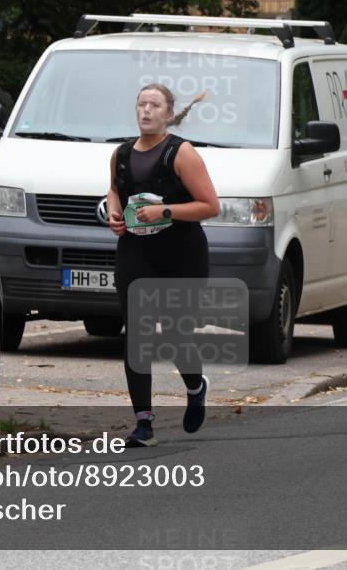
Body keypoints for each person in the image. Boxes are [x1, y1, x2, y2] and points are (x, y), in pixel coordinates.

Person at [106, 83, 220, 447]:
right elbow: (114, 190)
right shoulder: (121, 154)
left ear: (169, 114)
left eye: (154, 105)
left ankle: (195, 385)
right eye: (141, 104)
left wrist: (164, 211)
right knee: (136, 333)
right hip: (136, 251)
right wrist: (113, 212)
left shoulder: (182, 154)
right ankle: (143, 424)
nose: (146, 110)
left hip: (181, 252)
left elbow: (210, 205)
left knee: (173, 334)